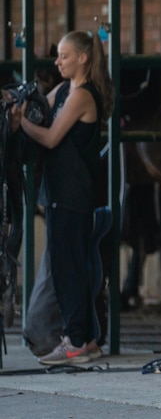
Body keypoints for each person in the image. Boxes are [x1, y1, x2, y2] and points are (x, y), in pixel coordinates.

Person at [12, 30, 114, 365]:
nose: (57, 62)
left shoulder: (83, 96)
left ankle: (75, 342)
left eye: (64, 56)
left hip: (72, 195)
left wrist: (22, 124)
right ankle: (86, 340)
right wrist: (15, 101)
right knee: (70, 268)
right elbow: (41, 101)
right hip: (62, 194)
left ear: (83, 58)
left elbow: (52, 138)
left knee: (68, 271)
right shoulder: (66, 90)